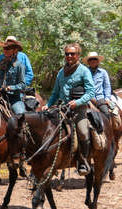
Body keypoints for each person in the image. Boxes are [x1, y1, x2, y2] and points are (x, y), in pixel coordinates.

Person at [42, 43, 95, 176]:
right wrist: (48, 105)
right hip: (61, 108)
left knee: (83, 132)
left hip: (79, 109)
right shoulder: (61, 72)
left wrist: (77, 102)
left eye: (72, 54)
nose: (69, 56)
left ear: (78, 55)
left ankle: (83, 161)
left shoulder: (84, 71)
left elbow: (90, 92)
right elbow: (55, 92)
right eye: (67, 54)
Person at [0, 39, 26, 114]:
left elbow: (22, 85)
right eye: (4, 49)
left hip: (14, 98)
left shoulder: (19, 65)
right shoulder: (1, 63)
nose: (5, 50)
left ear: (14, 50)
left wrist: (11, 88)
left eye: (8, 49)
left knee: (20, 114)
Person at [82, 51, 112, 116]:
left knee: (106, 113)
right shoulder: (84, 73)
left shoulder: (103, 72)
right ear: (88, 62)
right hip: (87, 99)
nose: (93, 61)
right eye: (90, 59)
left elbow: (107, 87)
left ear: (97, 61)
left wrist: (107, 98)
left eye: (95, 59)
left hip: (99, 98)